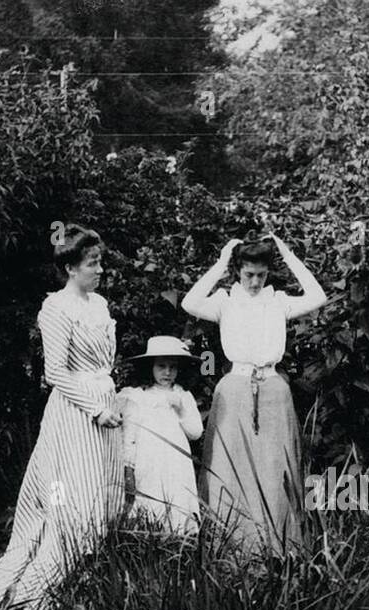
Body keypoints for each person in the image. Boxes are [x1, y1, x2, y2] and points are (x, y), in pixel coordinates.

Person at [0, 224, 123, 610]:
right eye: (93, 263)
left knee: (98, 504)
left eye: (101, 262)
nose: (100, 269)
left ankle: (75, 591)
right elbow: (55, 373)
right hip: (75, 416)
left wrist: (111, 399)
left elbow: (103, 364)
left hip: (104, 408)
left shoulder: (101, 305)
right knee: (70, 507)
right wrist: (96, 409)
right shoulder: (55, 307)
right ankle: (27, 600)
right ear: (71, 267)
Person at [181, 234, 326, 553]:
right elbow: (189, 303)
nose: (255, 281)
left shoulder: (277, 301)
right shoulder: (225, 300)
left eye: (261, 274)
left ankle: (275, 547)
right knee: (230, 466)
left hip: (274, 390)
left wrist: (288, 255)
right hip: (234, 390)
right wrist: (220, 263)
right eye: (249, 274)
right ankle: (231, 546)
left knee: (275, 465)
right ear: (238, 272)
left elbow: (318, 296)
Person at [117, 336, 204, 535]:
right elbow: (129, 434)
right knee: (151, 498)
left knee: (178, 498)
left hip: (176, 462)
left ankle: (180, 542)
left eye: (173, 367)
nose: (167, 372)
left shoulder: (183, 396)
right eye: (161, 366)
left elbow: (196, 433)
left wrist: (181, 410)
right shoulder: (138, 396)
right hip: (148, 459)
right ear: (150, 367)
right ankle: (151, 545)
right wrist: (128, 465)